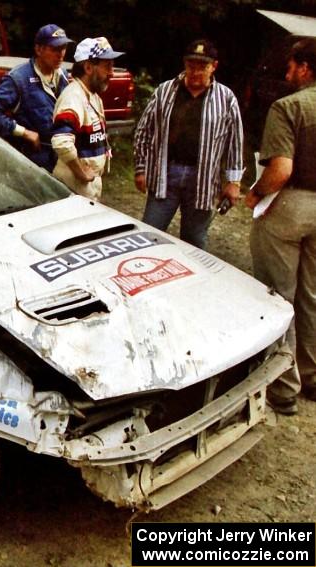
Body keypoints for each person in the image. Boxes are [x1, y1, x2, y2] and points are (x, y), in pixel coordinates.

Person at [245, 38, 316, 416]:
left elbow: (281, 169)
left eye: (291, 66)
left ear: (305, 68)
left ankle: (284, 386)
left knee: (278, 294)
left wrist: (256, 193)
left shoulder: (288, 107)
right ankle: (313, 373)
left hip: (291, 202)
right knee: (312, 295)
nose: (287, 73)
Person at [133, 40, 243, 250]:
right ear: (184, 64)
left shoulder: (226, 98)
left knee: (194, 241)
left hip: (203, 180)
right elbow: (143, 131)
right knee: (147, 235)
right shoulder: (164, 91)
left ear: (214, 66)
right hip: (164, 175)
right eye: (191, 65)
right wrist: (140, 168)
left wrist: (233, 182)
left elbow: (234, 142)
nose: (196, 72)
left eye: (203, 66)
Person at [0, 24, 73, 171]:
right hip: (33, 161)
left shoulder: (62, 75)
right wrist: (23, 132)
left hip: (60, 158)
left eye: (63, 48)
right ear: (39, 49)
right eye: (54, 49)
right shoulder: (19, 79)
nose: (60, 54)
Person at [51, 37, 124, 199]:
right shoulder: (73, 97)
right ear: (88, 67)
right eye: (107, 66)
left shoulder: (92, 95)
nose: (111, 73)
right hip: (73, 187)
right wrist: (81, 173)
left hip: (88, 185)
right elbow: (61, 142)